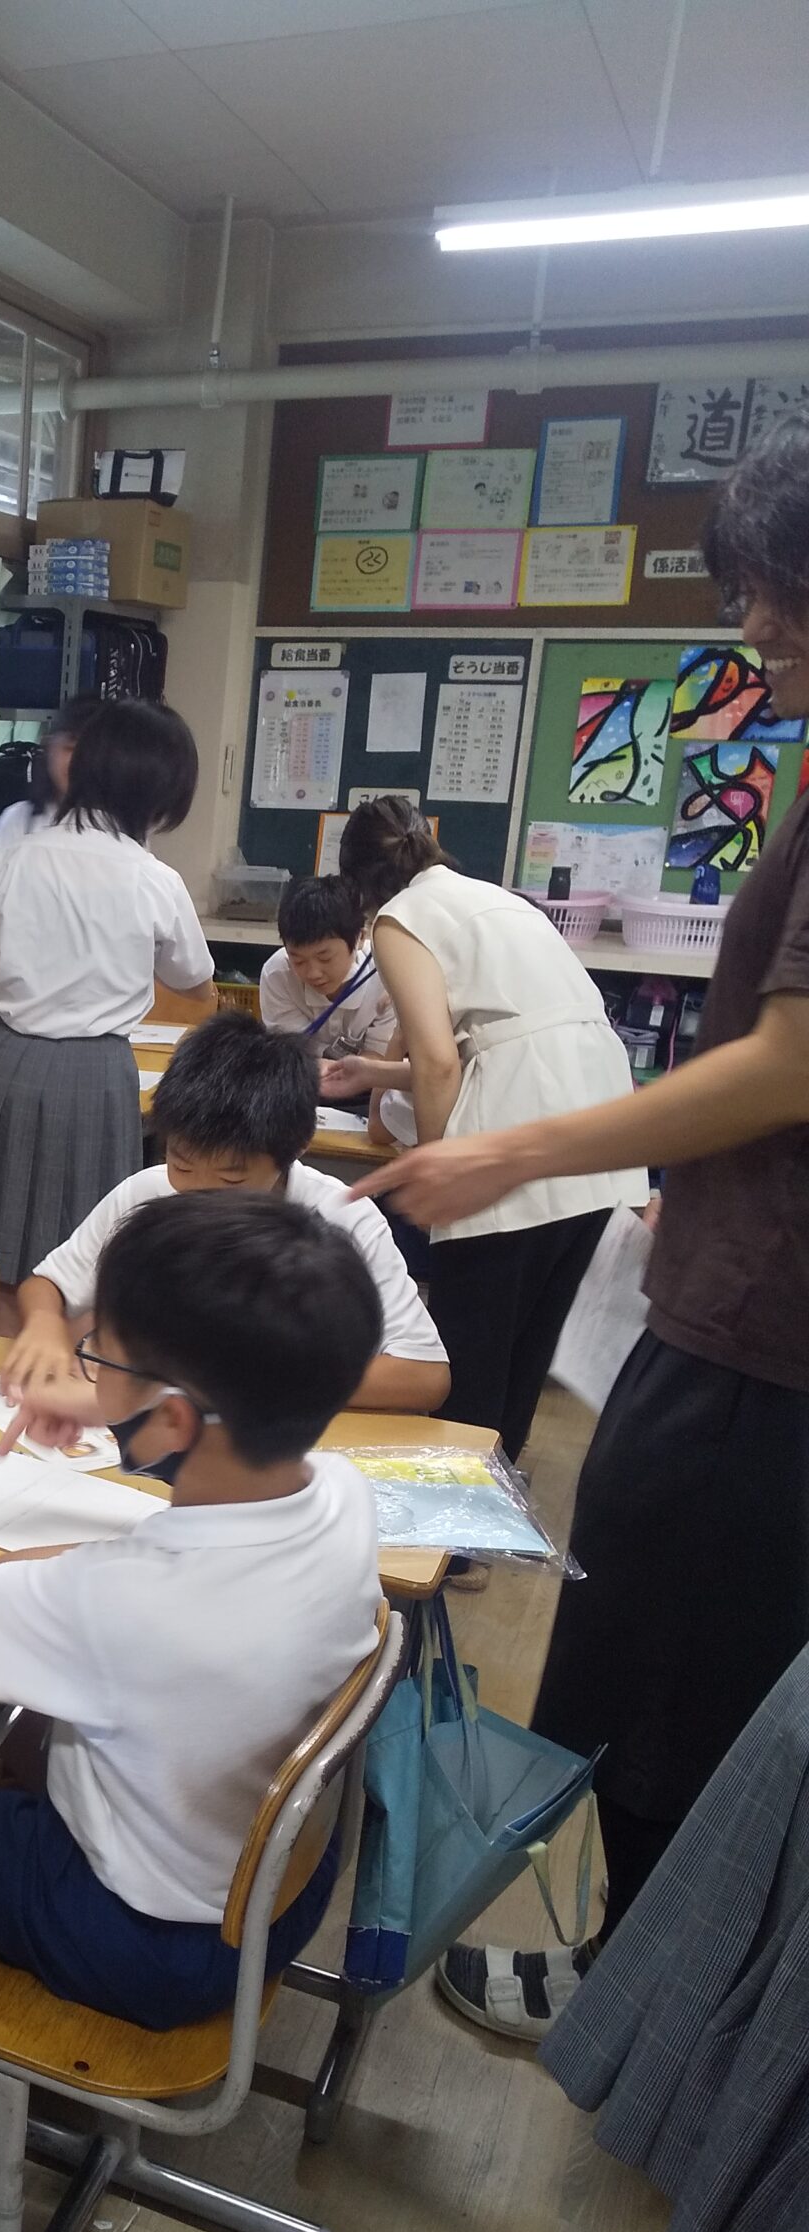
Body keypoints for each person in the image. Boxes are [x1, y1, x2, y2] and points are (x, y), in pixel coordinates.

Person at [349, 412, 809, 2035]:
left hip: (750, 1335)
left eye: (772, 589)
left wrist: (485, 1153)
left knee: (653, 1674)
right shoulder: (482, 890)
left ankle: (646, 2013)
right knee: (645, 1628)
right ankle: (650, 1991)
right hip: (673, 1241)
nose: (752, 625)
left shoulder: (402, 915)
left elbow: (788, 1061)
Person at [0, 1191, 385, 2030]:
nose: (88, 1376)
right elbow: (182, 1460)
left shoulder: (127, 1604)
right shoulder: (345, 1493)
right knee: (5, 1735)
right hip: (281, 1884)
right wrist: (115, 1405)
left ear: (175, 1415)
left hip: (142, 1940)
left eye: (100, 1362)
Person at [320, 793, 645, 1459]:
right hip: (597, 1126)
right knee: (524, 1357)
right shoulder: (496, 901)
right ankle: (493, 1502)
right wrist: (375, 1073)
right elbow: (503, 1042)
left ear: (358, 886)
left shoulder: (401, 919)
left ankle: (452, 1516)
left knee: (466, 1365)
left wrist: (438, 1164)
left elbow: (439, 1060)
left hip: (516, 1130)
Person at [2, 1011, 448, 1414]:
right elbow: (50, 1283)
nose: (200, 1194)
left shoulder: (341, 1218)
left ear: (295, 1148)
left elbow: (424, 1377)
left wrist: (230, 1383)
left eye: (231, 1179)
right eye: (181, 1164)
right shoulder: (147, 1192)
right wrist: (44, 1325)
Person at [0, 698, 215, 1285]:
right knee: (90, 1242)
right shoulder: (154, 878)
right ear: (158, 792)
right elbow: (196, 986)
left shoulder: (7, 858)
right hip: (97, 1070)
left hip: (5, 1058)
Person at [260, 870, 399, 1070]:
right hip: (304, 1077)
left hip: (368, 1081)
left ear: (360, 938)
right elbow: (291, 1054)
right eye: (298, 960)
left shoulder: (387, 974)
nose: (312, 973)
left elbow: (379, 1057)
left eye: (324, 958)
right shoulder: (277, 974)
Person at [0, 694, 100, 852]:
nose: (79, 762)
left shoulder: (119, 826)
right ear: (49, 745)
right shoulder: (18, 820)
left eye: (92, 752)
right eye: (70, 748)